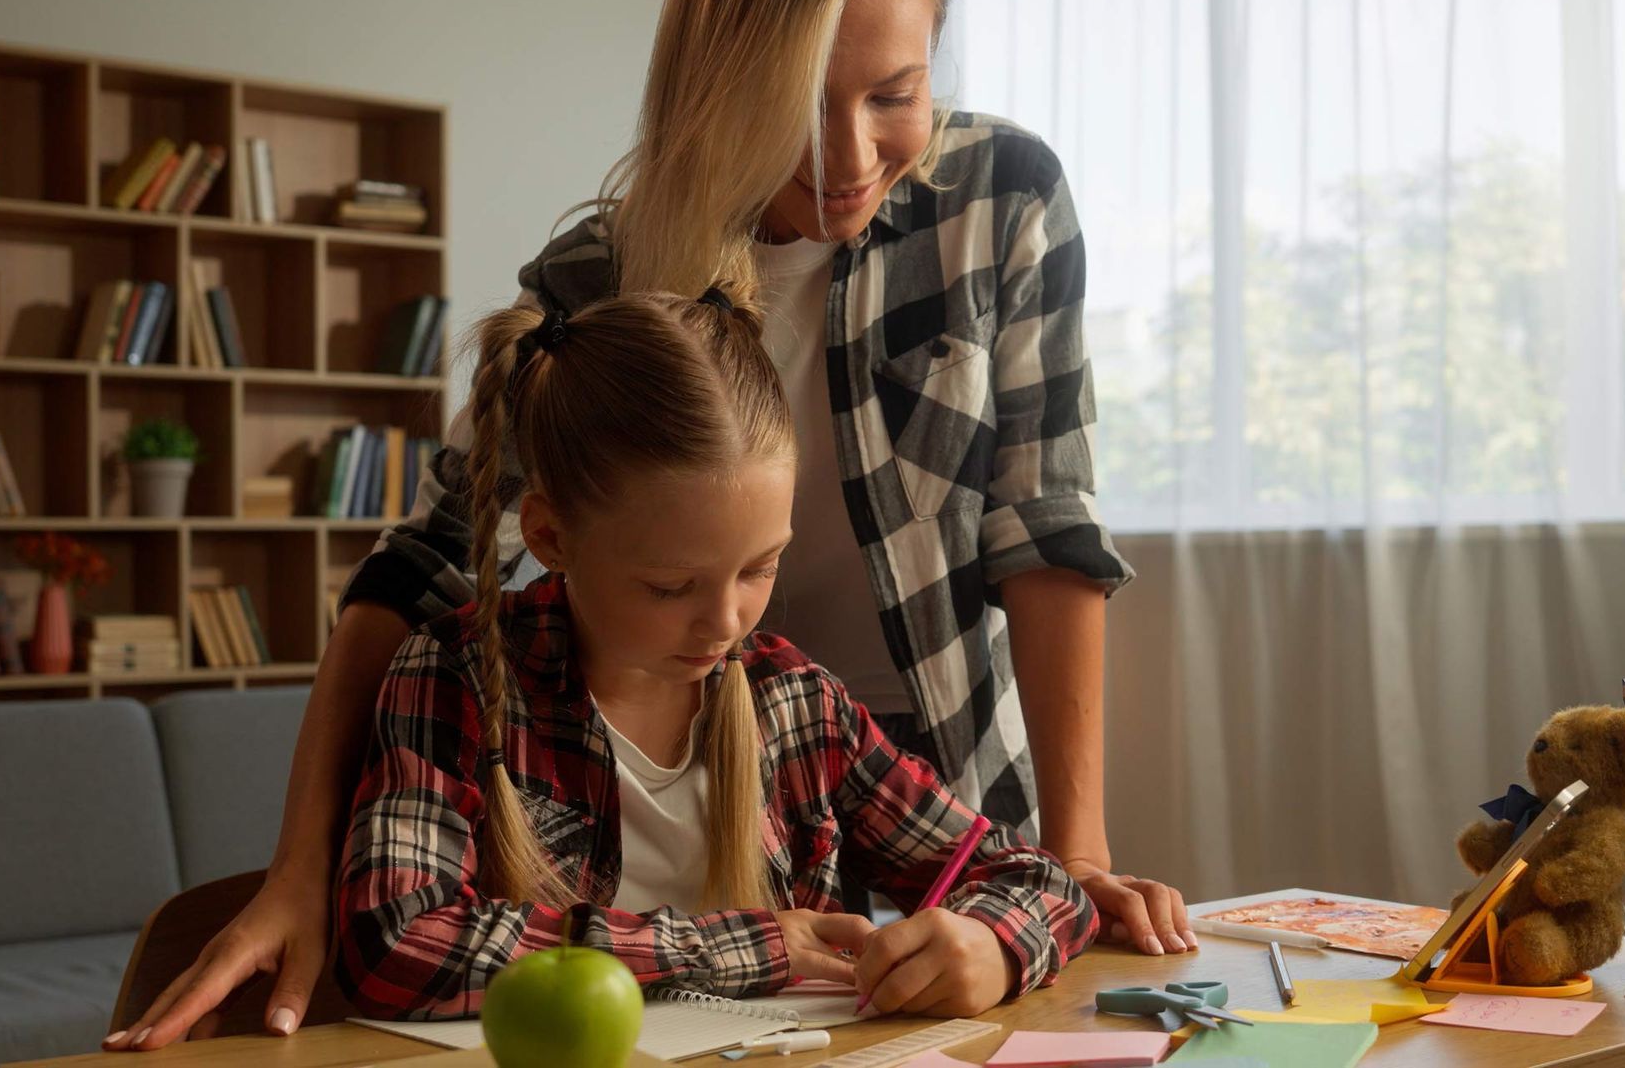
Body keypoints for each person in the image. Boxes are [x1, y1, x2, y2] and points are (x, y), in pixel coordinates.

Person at [107, 0, 1185, 1050]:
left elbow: (1043, 533)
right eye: (796, 109)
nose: (850, 159)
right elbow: (426, 562)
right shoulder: (594, 282)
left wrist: (1068, 864)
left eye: (894, 94)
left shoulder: (1003, 198)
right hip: (658, 725)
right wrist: (303, 863)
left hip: (855, 752)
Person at [339, 288, 1096, 1017]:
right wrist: (741, 946)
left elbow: (1033, 877)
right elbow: (397, 942)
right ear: (548, 536)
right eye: (670, 586)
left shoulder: (797, 702)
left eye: (761, 567)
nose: (725, 622)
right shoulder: (453, 674)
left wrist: (993, 943)